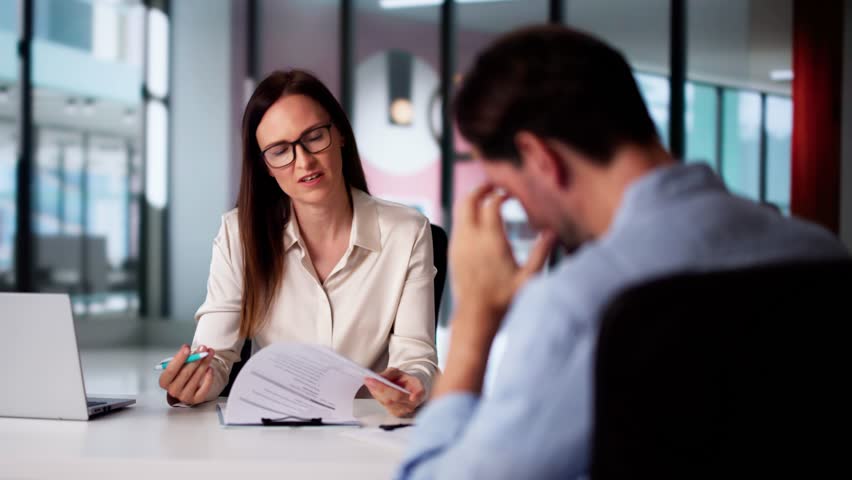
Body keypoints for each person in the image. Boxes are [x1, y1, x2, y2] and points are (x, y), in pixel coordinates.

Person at [397, 25, 848, 478]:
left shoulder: (574, 306)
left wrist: (475, 318)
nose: (531, 221)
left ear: (539, 158)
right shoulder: (820, 252)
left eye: (510, 191)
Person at [158, 70, 438, 417]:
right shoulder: (238, 234)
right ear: (266, 168)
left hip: (367, 426)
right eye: (280, 151)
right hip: (278, 430)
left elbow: (416, 356)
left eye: (314, 137)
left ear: (340, 135)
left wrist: (410, 382)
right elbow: (215, 355)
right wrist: (195, 383)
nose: (303, 161)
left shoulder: (406, 231)